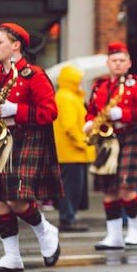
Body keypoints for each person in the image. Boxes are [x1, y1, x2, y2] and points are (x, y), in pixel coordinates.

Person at [0, 23, 62, 272]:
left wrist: (17, 111)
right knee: (0, 201)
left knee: (15, 199)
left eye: (0, 42)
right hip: (0, 140)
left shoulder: (34, 75)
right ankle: (12, 257)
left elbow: (50, 112)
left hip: (26, 138)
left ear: (15, 45)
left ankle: (45, 231)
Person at [85, 41, 137, 250]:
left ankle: (136, 227)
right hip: (108, 139)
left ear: (129, 63)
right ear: (108, 63)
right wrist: (89, 122)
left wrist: (123, 115)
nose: (117, 64)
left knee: (126, 187)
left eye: (121, 60)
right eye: (114, 60)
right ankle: (114, 236)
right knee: (109, 190)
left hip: (133, 135)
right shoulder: (100, 85)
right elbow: (92, 110)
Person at [53, 65, 95, 232]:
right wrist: (83, 142)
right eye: (78, 79)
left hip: (73, 152)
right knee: (70, 189)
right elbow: (70, 126)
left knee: (73, 188)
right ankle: (67, 219)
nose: (81, 83)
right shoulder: (66, 97)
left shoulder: (69, 96)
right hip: (70, 152)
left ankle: (69, 217)